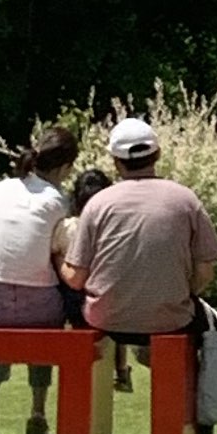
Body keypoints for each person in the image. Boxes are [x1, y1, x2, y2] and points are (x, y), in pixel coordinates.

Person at [61, 116, 217, 434]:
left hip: (106, 318)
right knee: (213, 331)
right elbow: (206, 268)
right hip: (170, 318)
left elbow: (76, 277)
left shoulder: (97, 204)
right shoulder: (185, 199)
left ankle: (83, 431)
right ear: (158, 154)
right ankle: (201, 430)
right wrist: (183, 293)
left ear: (115, 161)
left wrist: (56, 264)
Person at [0, 124, 79, 434]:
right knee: (48, 320)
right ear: (66, 167)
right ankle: (38, 414)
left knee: (3, 322)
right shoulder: (57, 201)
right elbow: (59, 248)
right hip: (39, 307)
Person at [57, 167, 132, 393]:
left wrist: (61, 264)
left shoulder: (68, 227)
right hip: (107, 296)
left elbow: (56, 254)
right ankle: (121, 369)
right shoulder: (115, 228)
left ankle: (95, 373)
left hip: (73, 296)